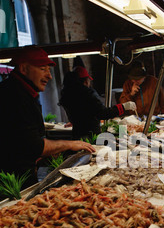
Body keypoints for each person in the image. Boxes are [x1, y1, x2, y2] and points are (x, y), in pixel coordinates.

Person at [0, 46, 96, 190]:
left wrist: (49, 153)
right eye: (43, 69)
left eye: (49, 70)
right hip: (11, 183)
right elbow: (33, 146)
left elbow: (19, 141)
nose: (49, 76)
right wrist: (69, 144)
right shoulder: (14, 96)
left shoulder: (23, 92)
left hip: (21, 174)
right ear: (24, 68)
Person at [59, 66, 136, 140]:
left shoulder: (67, 95)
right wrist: (123, 107)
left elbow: (80, 115)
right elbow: (103, 113)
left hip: (77, 136)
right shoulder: (88, 93)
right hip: (91, 137)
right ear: (86, 81)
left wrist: (77, 122)